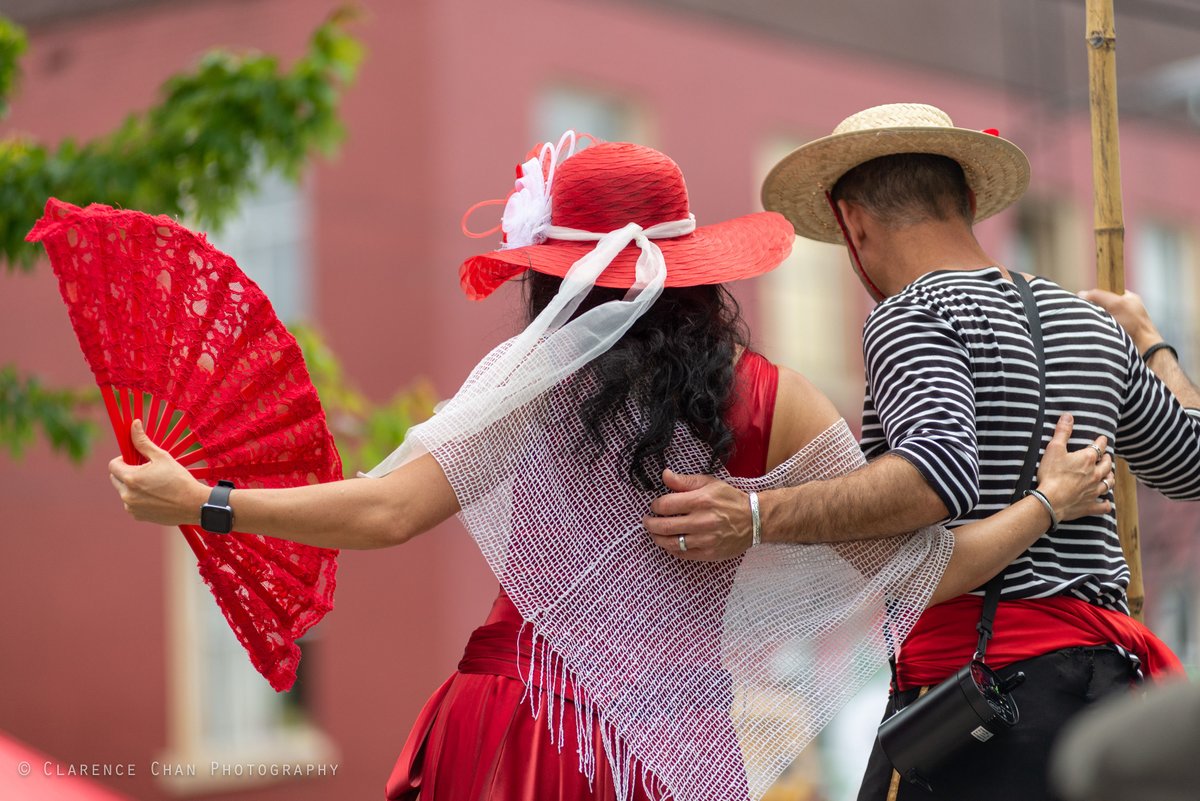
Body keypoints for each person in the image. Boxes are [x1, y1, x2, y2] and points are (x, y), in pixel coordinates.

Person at [109, 134, 1112, 801]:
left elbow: (382, 514)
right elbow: (915, 569)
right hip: (670, 749)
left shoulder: (524, 385)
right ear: (694, 267)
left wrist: (205, 501)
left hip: (513, 728)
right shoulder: (766, 400)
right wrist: (1044, 505)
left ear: (551, 271)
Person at [643, 103, 1200, 800]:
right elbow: (1192, 462)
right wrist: (1153, 343)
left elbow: (936, 475)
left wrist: (753, 513)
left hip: (984, 700)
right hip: (1105, 687)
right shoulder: (1090, 324)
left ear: (853, 221)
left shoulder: (911, 313)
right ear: (966, 201)